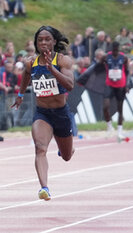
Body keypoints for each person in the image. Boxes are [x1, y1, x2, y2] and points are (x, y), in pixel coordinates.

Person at [11, 25, 75, 201]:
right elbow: (26, 74)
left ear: (54, 41)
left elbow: (70, 85)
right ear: (36, 43)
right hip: (43, 114)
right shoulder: (31, 62)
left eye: (47, 39)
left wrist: (52, 70)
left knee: (67, 157)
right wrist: (20, 95)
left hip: (61, 113)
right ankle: (44, 188)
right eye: (40, 40)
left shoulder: (63, 61)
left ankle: (66, 149)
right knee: (40, 149)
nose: (44, 42)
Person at [103, 41, 129, 138]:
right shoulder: (106, 57)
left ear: (119, 49)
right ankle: (109, 126)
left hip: (121, 85)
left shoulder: (124, 57)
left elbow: (127, 71)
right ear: (111, 49)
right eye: (113, 50)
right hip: (109, 84)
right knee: (105, 106)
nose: (115, 52)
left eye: (116, 50)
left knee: (120, 108)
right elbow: (98, 66)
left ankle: (119, 131)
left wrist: (127, 85)